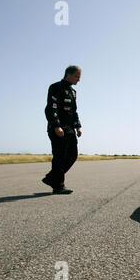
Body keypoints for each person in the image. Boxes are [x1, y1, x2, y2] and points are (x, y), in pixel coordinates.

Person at [42, 66, 82, 194]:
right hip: (58, 129)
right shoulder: (55, 87)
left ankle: (51, 178)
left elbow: (74, 111)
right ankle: (58, 185)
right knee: (59, 157)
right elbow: (51, 108)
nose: (78, 79)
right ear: (68, 74)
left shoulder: (73, 92)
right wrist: (56, 125)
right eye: (77, 76)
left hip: (69, 129)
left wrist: (78, 126)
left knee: (72, 155)